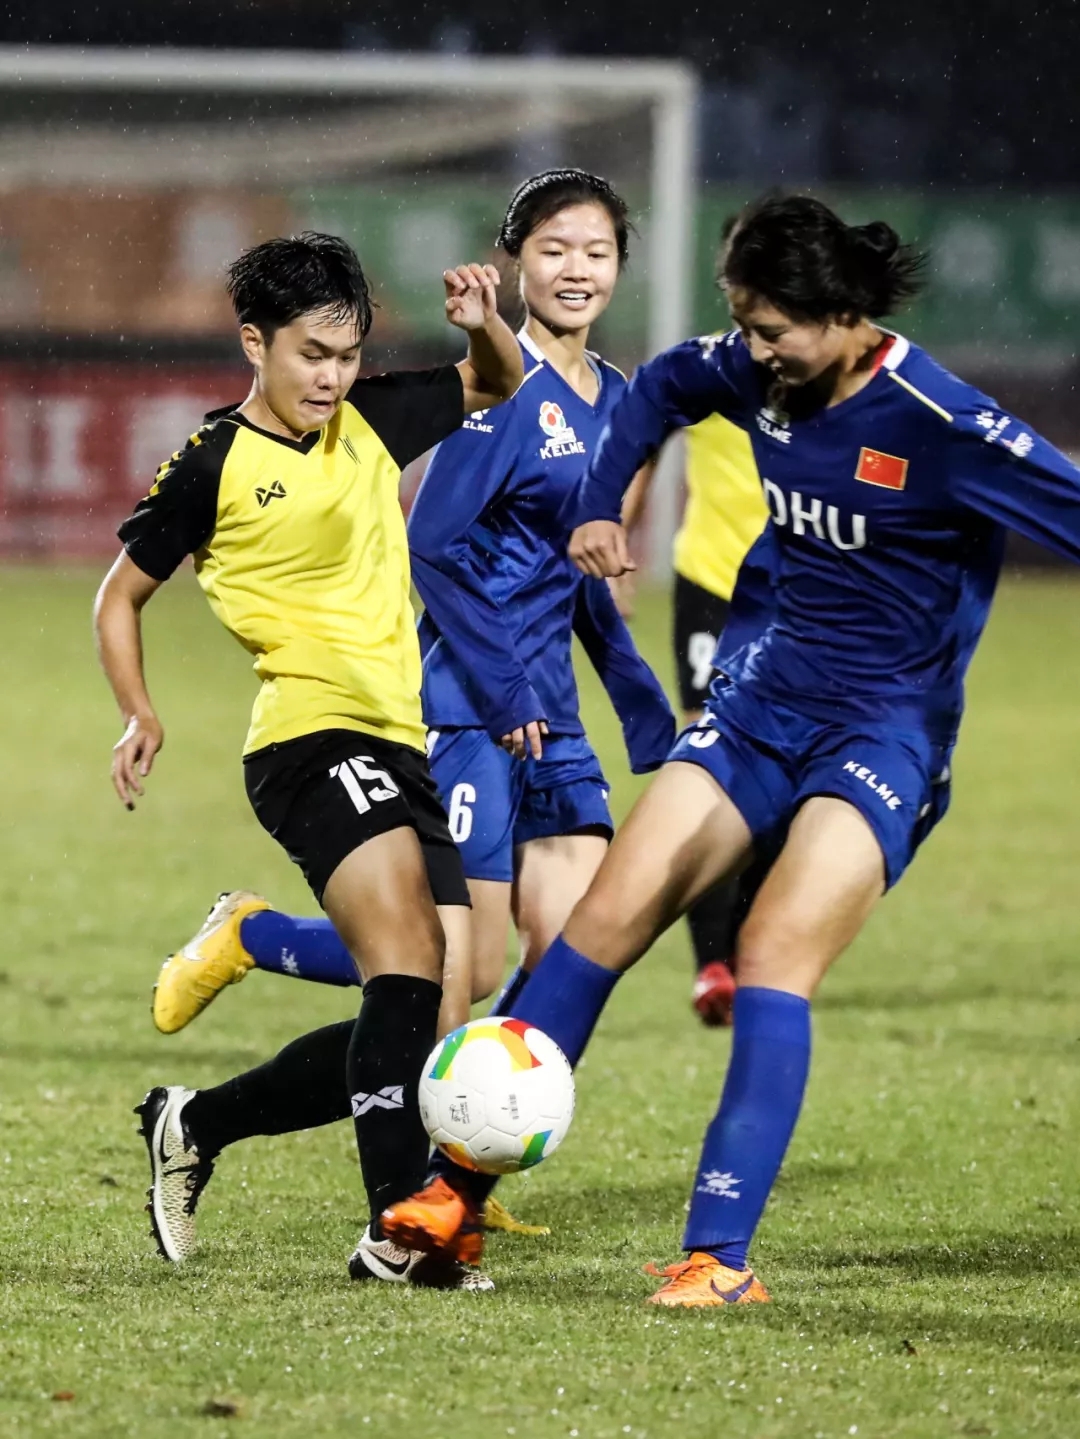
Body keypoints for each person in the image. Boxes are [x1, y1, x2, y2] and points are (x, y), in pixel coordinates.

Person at [376, 191, 1080, 1304]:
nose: (753, 351)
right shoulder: (761, 373)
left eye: (772, 329)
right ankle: (450, 1200)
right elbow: (662, 385)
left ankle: (719, 1256)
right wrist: (600, 504)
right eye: (743, 325)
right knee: (604, 920)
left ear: (841, 313)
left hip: (884, 734)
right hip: (758, 706)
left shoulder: (942, 424)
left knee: (772, 951)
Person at [129, 172, 674, 1260]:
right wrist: (507, 689)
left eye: (598, 251)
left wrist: (642, 707)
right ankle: (386, 1160)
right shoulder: (481, 402)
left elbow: (584, 571)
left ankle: (446, 1165)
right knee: (436, 982)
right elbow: (437, 547)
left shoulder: (619, 401)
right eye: (555, 249)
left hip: (553, 719)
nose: (577, 270)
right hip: (465, 710)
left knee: (560, 954)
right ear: (514, 262)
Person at [94, 231, 524, 1289]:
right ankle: (399, 1235)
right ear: (256, 343)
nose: (332, 376)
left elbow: (498, 381)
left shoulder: (369, 420)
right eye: (312, 354)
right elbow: (119, 596)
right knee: (410, 961)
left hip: (400, 742)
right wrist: (139, 712)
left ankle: (197, 1121)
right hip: (306, 738)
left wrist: (486, 325)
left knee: (440, 1001)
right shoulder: (213, 460)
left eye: (347, 354)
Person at [620, 397, 767, 1026]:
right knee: (711, 768)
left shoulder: (820, 367)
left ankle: (748, 950)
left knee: (785, 777)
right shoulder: (708, 372)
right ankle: (713, 964)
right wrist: (617, 534)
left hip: (797, 591)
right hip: (712, 584)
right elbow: (641, 443)